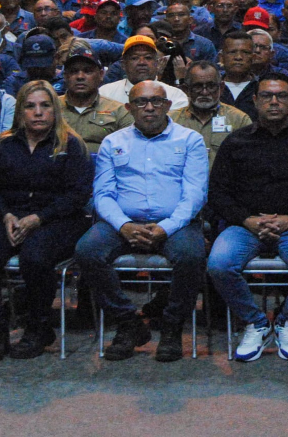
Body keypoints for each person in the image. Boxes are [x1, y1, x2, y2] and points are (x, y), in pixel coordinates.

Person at [76, 80, 209, 362]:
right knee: (87, 251)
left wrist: (167, 227)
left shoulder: (189, 140)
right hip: (121, 223)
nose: (149, 108)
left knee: (192, 255)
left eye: (156, 101)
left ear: (168, 106)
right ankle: (128, 323)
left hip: (176, 224)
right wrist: (123, 225)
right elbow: (102, 193)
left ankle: (172, 327)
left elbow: (195, 194)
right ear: (128, 108)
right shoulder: (114, 142)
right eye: (141, 102)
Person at [207, 72, 288, 361]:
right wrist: (247, 220)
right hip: (245, 225)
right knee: (219, 265)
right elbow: (217, 193)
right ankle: (256, 322)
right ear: (254, 101)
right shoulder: (235, 142)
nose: (274, 102)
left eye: (281, 96)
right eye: (266, 96)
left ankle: (286, 320)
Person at [0, 80, 93, 362]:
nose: (38, 112)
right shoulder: (3, 144)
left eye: (45, 106)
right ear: (20, 111)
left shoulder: (71, 145)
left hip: (57, 219)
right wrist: (5, 215)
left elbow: (78, 194)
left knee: (35, 257)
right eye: (30, 106)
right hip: (8, 216)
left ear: (55, 110)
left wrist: (39, 218)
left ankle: (38, 328)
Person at [170, 61, 251, 169]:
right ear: (186, 90)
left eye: (211, 86)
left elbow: (249, 161)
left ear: (221, 88)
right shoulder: (171, 120)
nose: (204, 92)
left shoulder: (239, 120)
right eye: (197, 86)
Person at [59, 40, 132, 155]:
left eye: (87, 71)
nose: (80, 76)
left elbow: (129, 150)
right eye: (74, 71)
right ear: (65, 76)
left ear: (101, 74)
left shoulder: (119, 112)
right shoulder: (50, 108)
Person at [99, 35, 188, 111]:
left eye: (148, 58)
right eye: (134, 58)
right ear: (123, 64)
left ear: (157, 63)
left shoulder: (175, 96)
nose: (142, 62)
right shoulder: (105, 94)